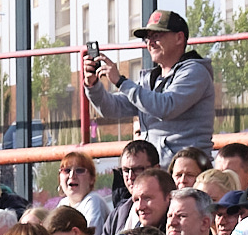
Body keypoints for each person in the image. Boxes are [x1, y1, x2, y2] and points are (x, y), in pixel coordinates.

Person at [83, 9, 216, 159]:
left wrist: (121, 81)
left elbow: (166, 106)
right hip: (156, 174)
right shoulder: (150, 78)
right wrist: (93, 85)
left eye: (157, 36)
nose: (150, 43)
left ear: (179, 38)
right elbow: (113, 108)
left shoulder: (195, 71)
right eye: (147, 38)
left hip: (187, 173)